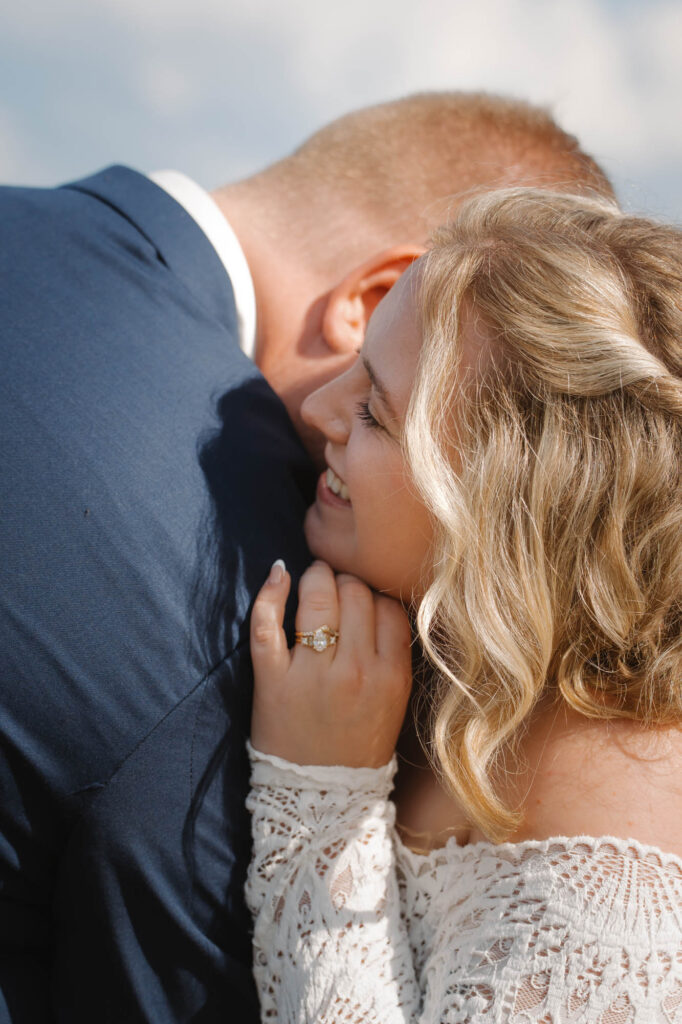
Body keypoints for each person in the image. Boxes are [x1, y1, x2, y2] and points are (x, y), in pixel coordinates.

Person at [0, 93, 611, 1022]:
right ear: (374, 300)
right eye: (366, 393)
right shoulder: (246, 605)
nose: (328, 421)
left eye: (373, 409)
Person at [246, 187, 682, 1022]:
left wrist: (320, 799)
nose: (316, 408)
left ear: (510, 514)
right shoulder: (483, 684)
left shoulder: (615, 842)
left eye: (374, 412)